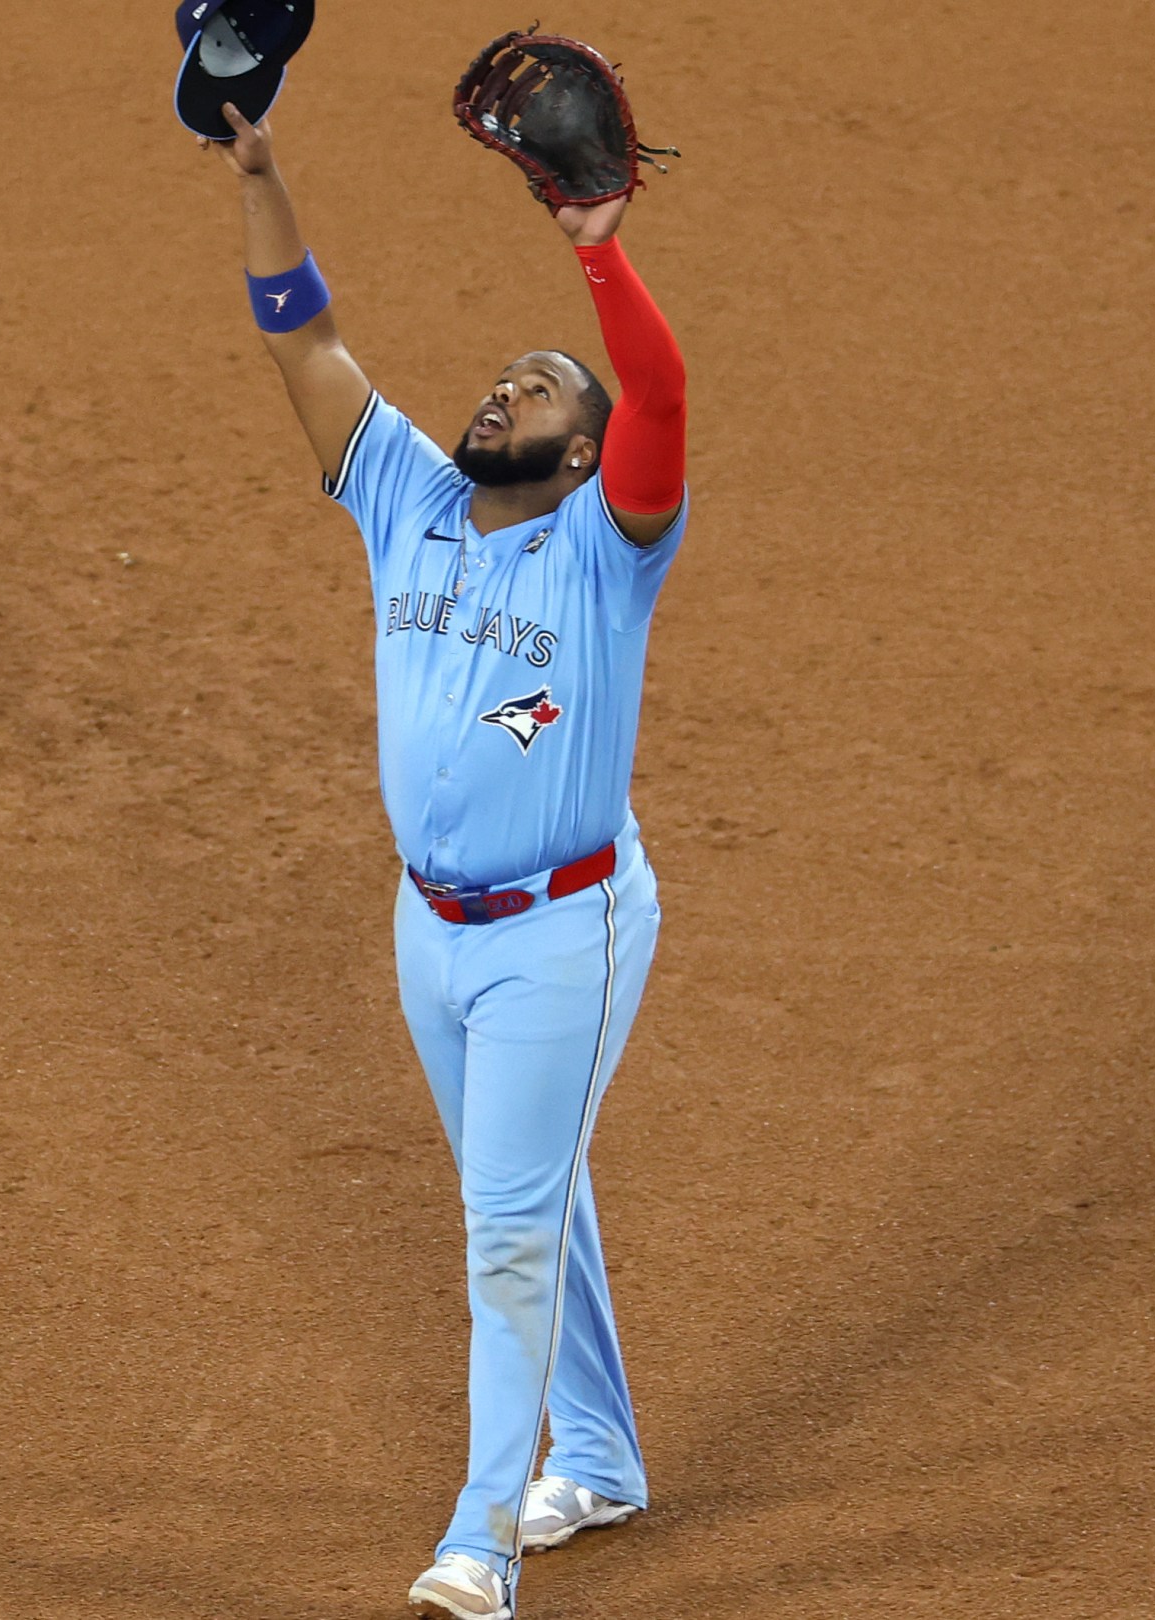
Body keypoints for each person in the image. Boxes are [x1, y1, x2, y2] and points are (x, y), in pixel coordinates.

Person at [204, 101, 690, 1620]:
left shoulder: (610, 550)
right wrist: (263, 177)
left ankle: (481, 1541)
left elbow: (664, 393)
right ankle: (598, 1457)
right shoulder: (409, 499)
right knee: (524, 1190)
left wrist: (600, 262)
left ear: (590, 449)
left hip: (565, 930)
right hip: (432, 932)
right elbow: (303, 337)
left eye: (542, 386)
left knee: (501, 1224)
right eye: (500, 375)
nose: (505, 389)